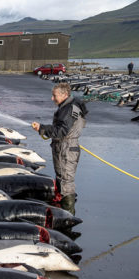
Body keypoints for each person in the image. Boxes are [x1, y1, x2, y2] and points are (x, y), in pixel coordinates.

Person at [31, 83, 88, 214]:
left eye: (54, 95)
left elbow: (62, 131)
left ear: (64, 95)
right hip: (64, 146)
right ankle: (63, 211)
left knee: (66, 182)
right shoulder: (69, 106)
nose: (52, 99)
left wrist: (42, 128)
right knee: (62, 179)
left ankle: (68, 219)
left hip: (66, 148)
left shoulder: (69, 109)